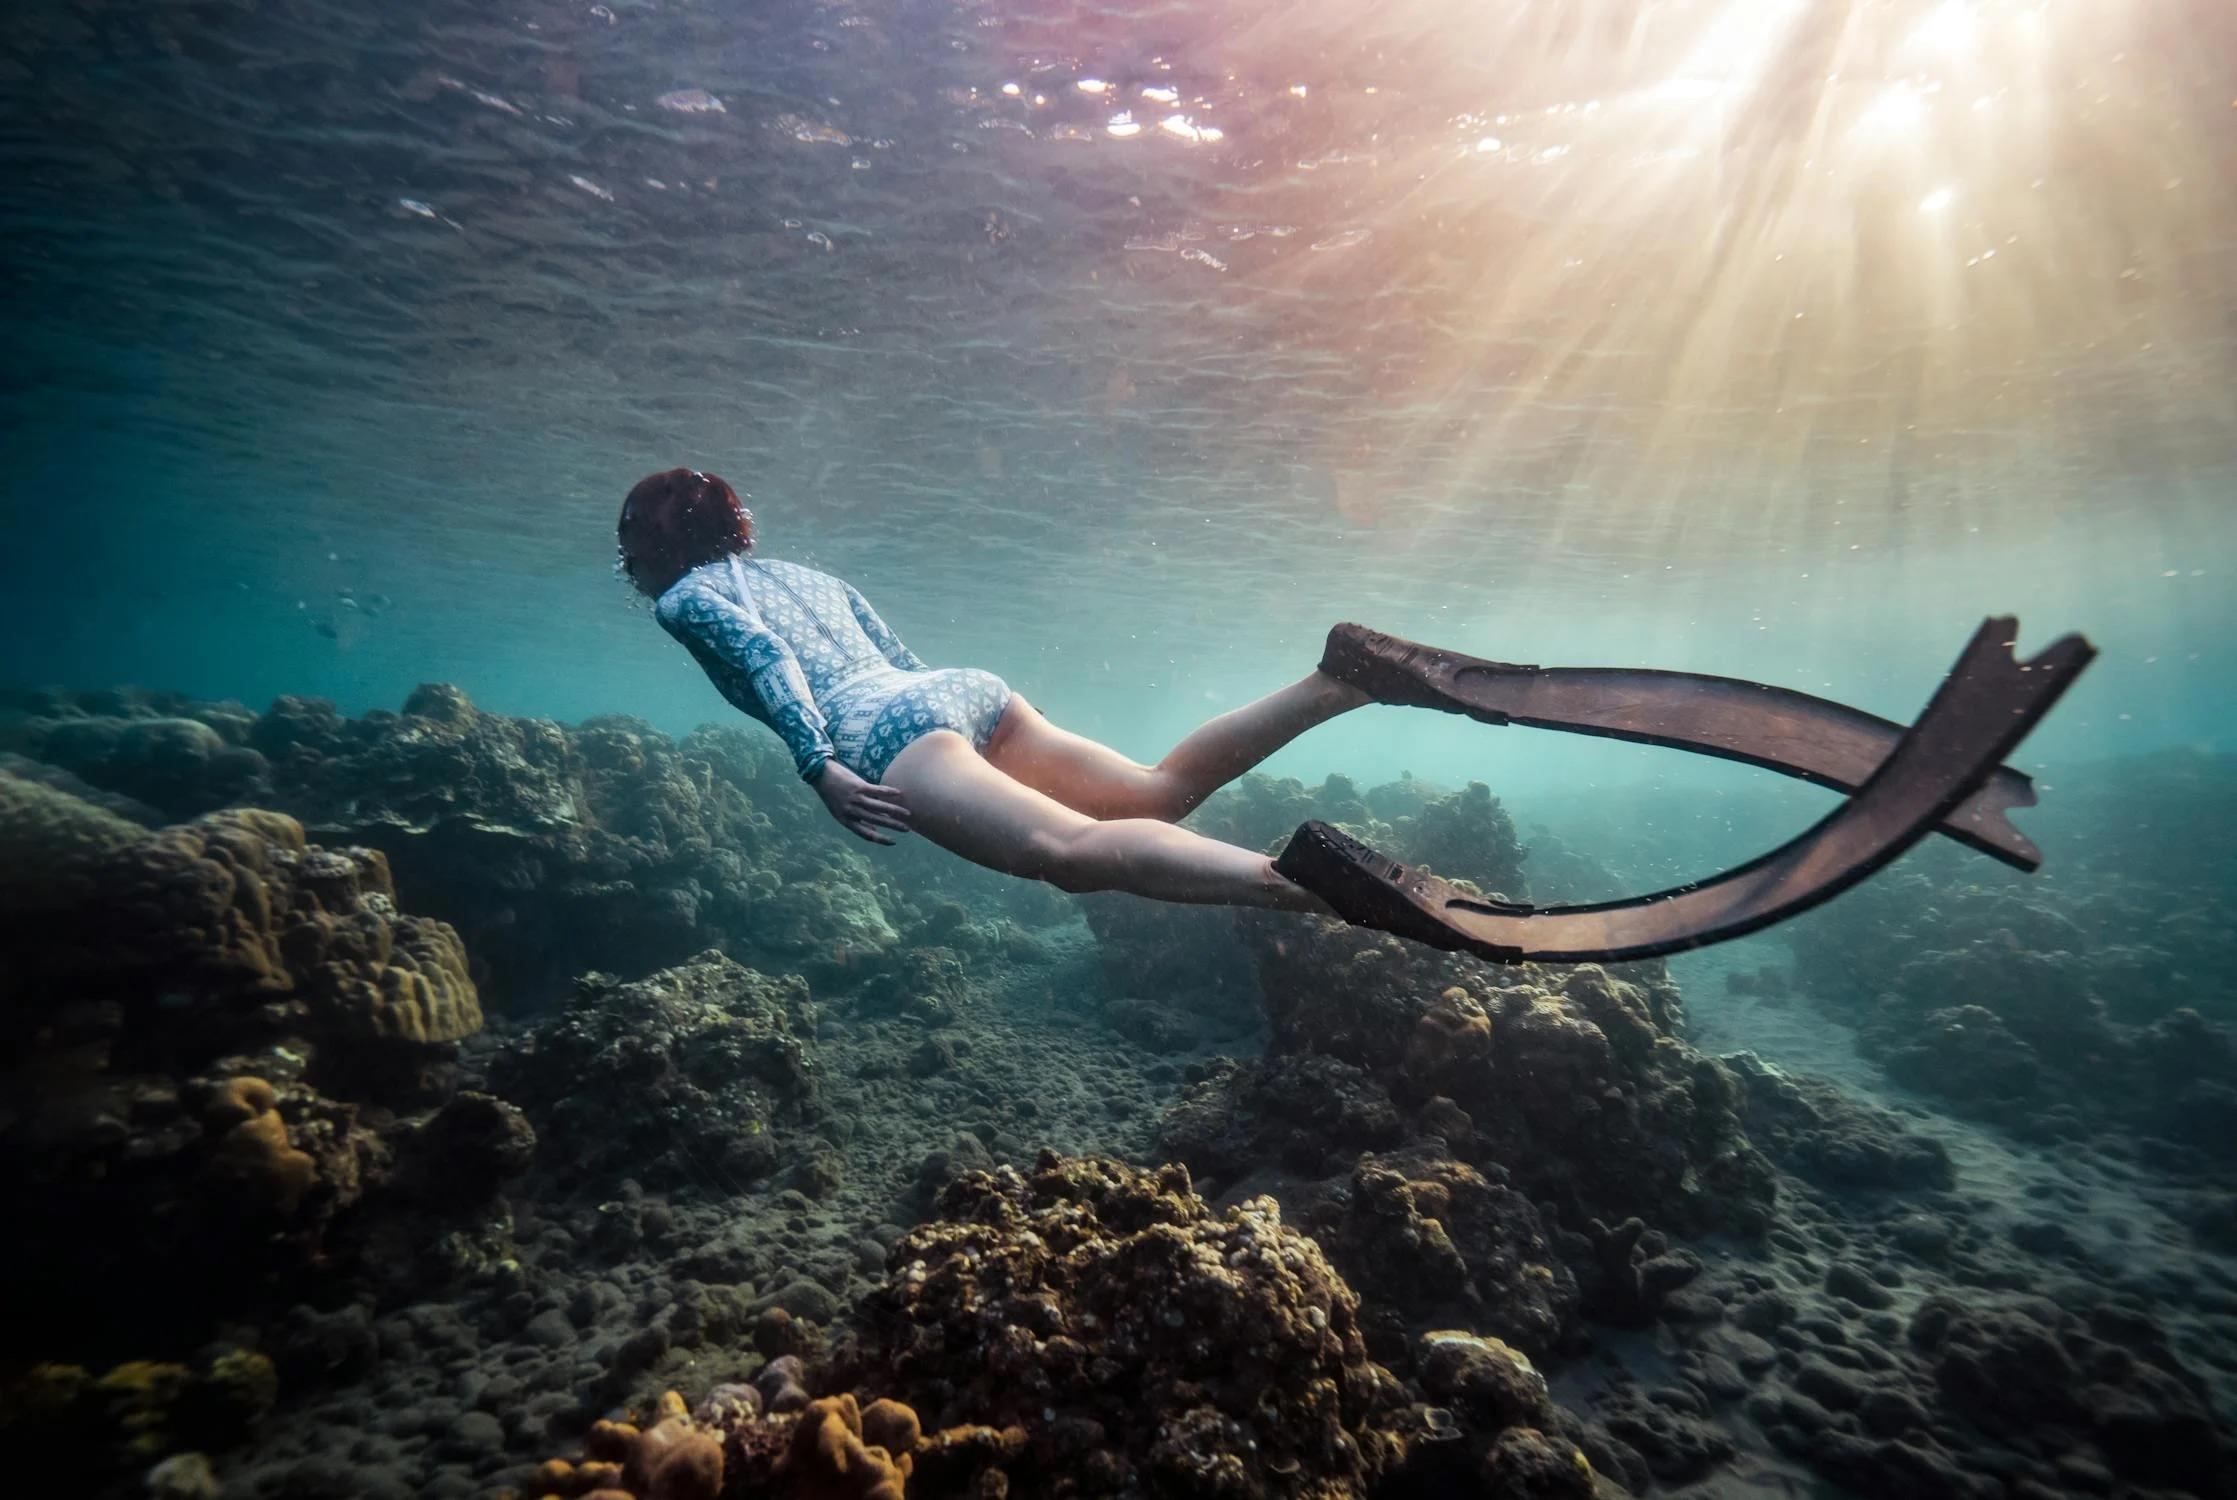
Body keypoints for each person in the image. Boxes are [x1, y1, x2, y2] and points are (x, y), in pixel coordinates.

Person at [618, 468, 1366, 913]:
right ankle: (1338, 682)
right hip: (955, 690)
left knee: (1070, 853)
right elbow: (899, 658)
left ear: (650, 548)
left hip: (885, 730)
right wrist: (990, 713)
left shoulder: (682, 599)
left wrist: (818, 768)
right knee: (1155, 791)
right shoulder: (810, 576)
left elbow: (764, 652)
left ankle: (1300, 885)